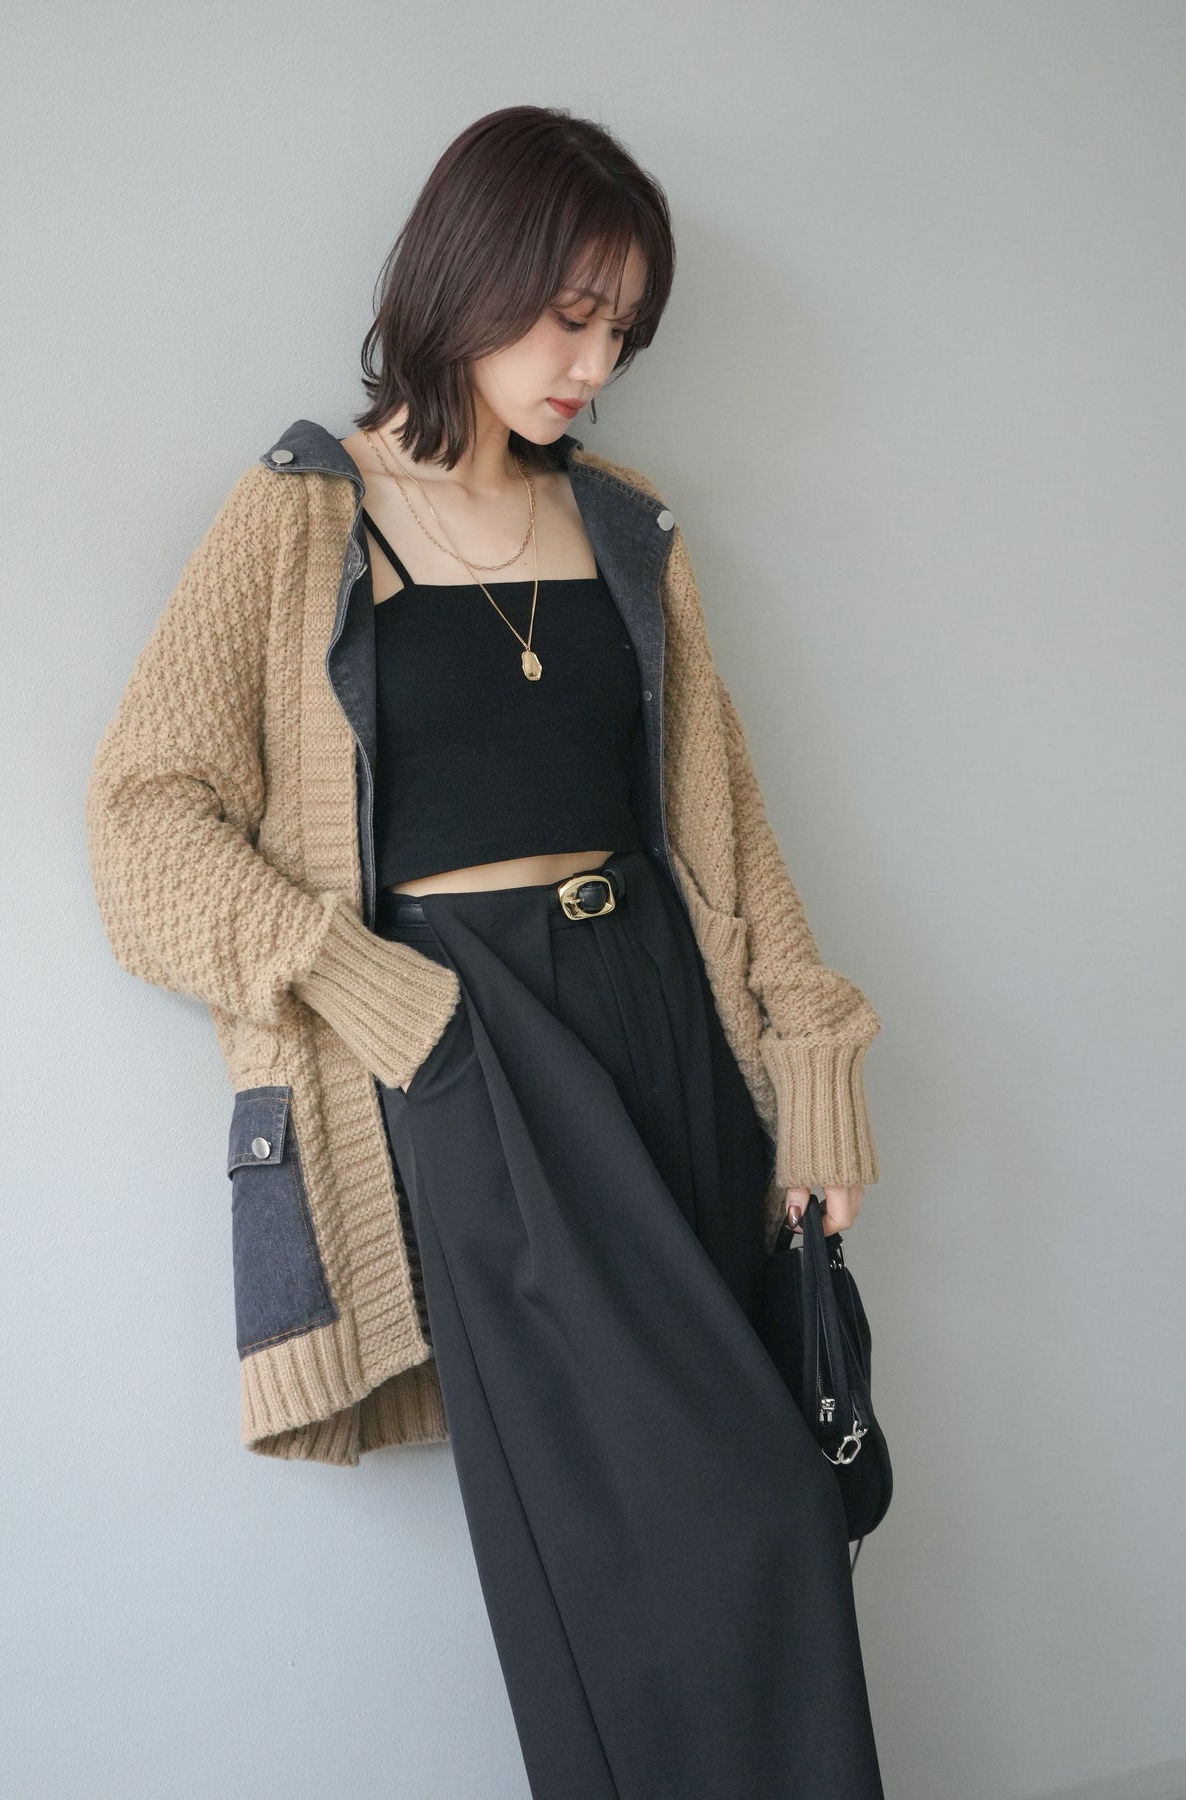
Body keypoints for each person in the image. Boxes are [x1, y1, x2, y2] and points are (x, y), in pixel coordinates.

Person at [86, 103, 886, 1799]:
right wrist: (369, 988)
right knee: (701, 1526)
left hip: (663, 1014)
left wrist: (812, 1069)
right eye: (570, 315)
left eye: (621, 331)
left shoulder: (625, 524)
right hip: (475, 1046)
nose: (593, 365)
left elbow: (723, 824)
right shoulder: (300, 518)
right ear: (467, 276)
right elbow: (141, 823)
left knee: (757, 1526)